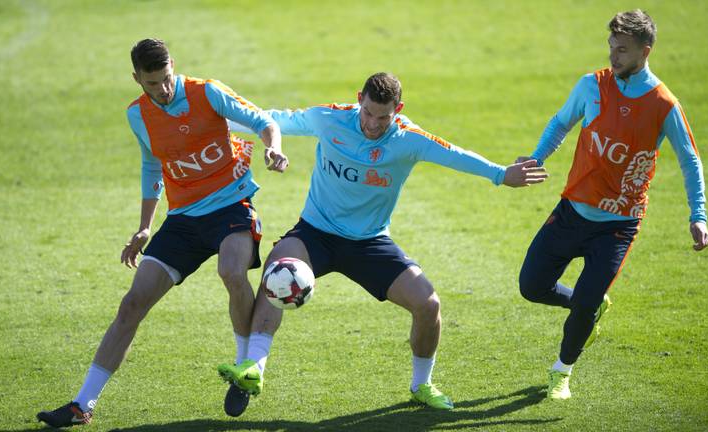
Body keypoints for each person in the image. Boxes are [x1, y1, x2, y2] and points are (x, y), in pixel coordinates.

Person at [217, 72, 548, 416]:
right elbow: (274, 119)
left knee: (428, 304)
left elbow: (454, 154)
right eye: (367, 113)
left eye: (383, 117)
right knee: (278, 271)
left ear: (398, 109)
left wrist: (501, 174)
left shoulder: (408, 138)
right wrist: (215, 117)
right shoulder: (329, 118)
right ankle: (253, 369)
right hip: (316, 233)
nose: (372, 124)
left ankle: (422, 385)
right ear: (359, 98)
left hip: (369, 242)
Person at [36, 38, 288, 427]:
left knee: (232, 272)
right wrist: (144, 226)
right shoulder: (137, 115)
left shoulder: (208, 92)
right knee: (132, 303)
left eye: (167, 79)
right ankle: (82, 404)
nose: (163, 90)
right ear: (137, 78)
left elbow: (264, 122)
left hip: (231, 206)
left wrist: (273, 148)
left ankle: (244, 370)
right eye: (152, 83)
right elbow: (152, 167)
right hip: (184, 218)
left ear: (173, 66)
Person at [516, 10, 708, 400]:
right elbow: (560, 123)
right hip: (573, 210)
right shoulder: (591, 86)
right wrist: (537, 157)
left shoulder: (663, 104)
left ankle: (562, 372)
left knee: (583, 308)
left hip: (618, 225)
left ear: (645, 51)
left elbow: (690, 160)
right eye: (611, 47)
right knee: (531, 286)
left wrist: (699, 215)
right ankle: (589, 304)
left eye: (622, 50)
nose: (613, 56)